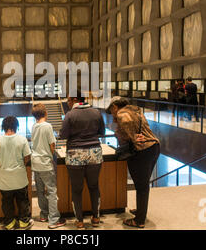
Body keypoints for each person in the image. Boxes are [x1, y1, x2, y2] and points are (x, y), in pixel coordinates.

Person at [106, 97, 160, 229]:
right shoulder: (135, 110)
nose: (112, 114)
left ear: (114, 107)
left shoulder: (121, 114)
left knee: (141, 186)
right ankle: (141, 211)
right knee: (143, 184)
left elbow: (125, 130)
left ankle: (139, 220)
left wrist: (131, 136)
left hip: (141, 150)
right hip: (154, 146)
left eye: (111, 111)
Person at [59, 91, 105, 229]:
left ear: (74, 99)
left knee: (77, 189)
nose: (67, 103)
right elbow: (102, 132)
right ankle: (96, 218)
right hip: (94, 154)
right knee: (94, 186)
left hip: (75, 155)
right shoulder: (96, 112)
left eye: (68, 100)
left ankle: (79, 221)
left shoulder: (70, 115)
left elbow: (63, 135)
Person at [0, 116, 34, 230]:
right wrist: (22, 164)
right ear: (16, 126)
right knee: (23, 201)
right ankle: (24, 222)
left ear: (3, 127)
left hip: (4, 179)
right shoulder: (22, 139)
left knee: (7, 202)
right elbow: (27, 156)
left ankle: (9, 224)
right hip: (20, 177)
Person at [31, 104, 66, 229]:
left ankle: (43, 214)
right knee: (51, 191)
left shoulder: (34, 126)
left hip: (35, 162)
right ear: (45, 113)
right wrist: (51, 157)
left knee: (40, 191)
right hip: (45, 162)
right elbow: (52, 145)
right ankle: (54, 220)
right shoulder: (47, 126)